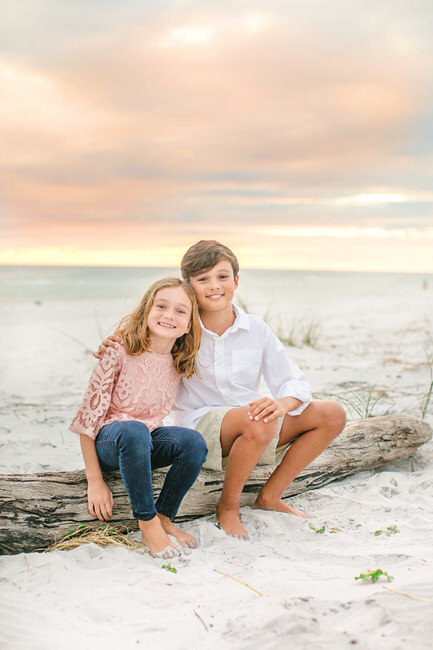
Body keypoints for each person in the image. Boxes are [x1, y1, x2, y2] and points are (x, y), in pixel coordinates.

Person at [97, 241, 346, 540]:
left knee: (331, 413)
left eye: (222, 276)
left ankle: (270, 496)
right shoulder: (180, 327)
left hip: (254, 425)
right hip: (202, 428)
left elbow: (292, 380)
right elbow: (140, 344)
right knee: (257, 418)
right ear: (190, 286)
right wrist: (113, 345)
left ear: (236, 281)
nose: (214, 286)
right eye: (203, 279)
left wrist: (282, 404)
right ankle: (227, 507)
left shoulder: (256, 329)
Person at [70, 277, 208, 559]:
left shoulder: (179, 362)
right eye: (161, 306)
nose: (169, 315)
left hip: (145, 440)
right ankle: (147, 523)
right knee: (133, 431)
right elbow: (87, 422)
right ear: (146, 310)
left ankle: (164, 516)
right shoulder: (118, 351)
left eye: (181, 311)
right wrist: (95, 480)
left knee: (193, 442)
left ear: (190, 324)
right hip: (111, 441)